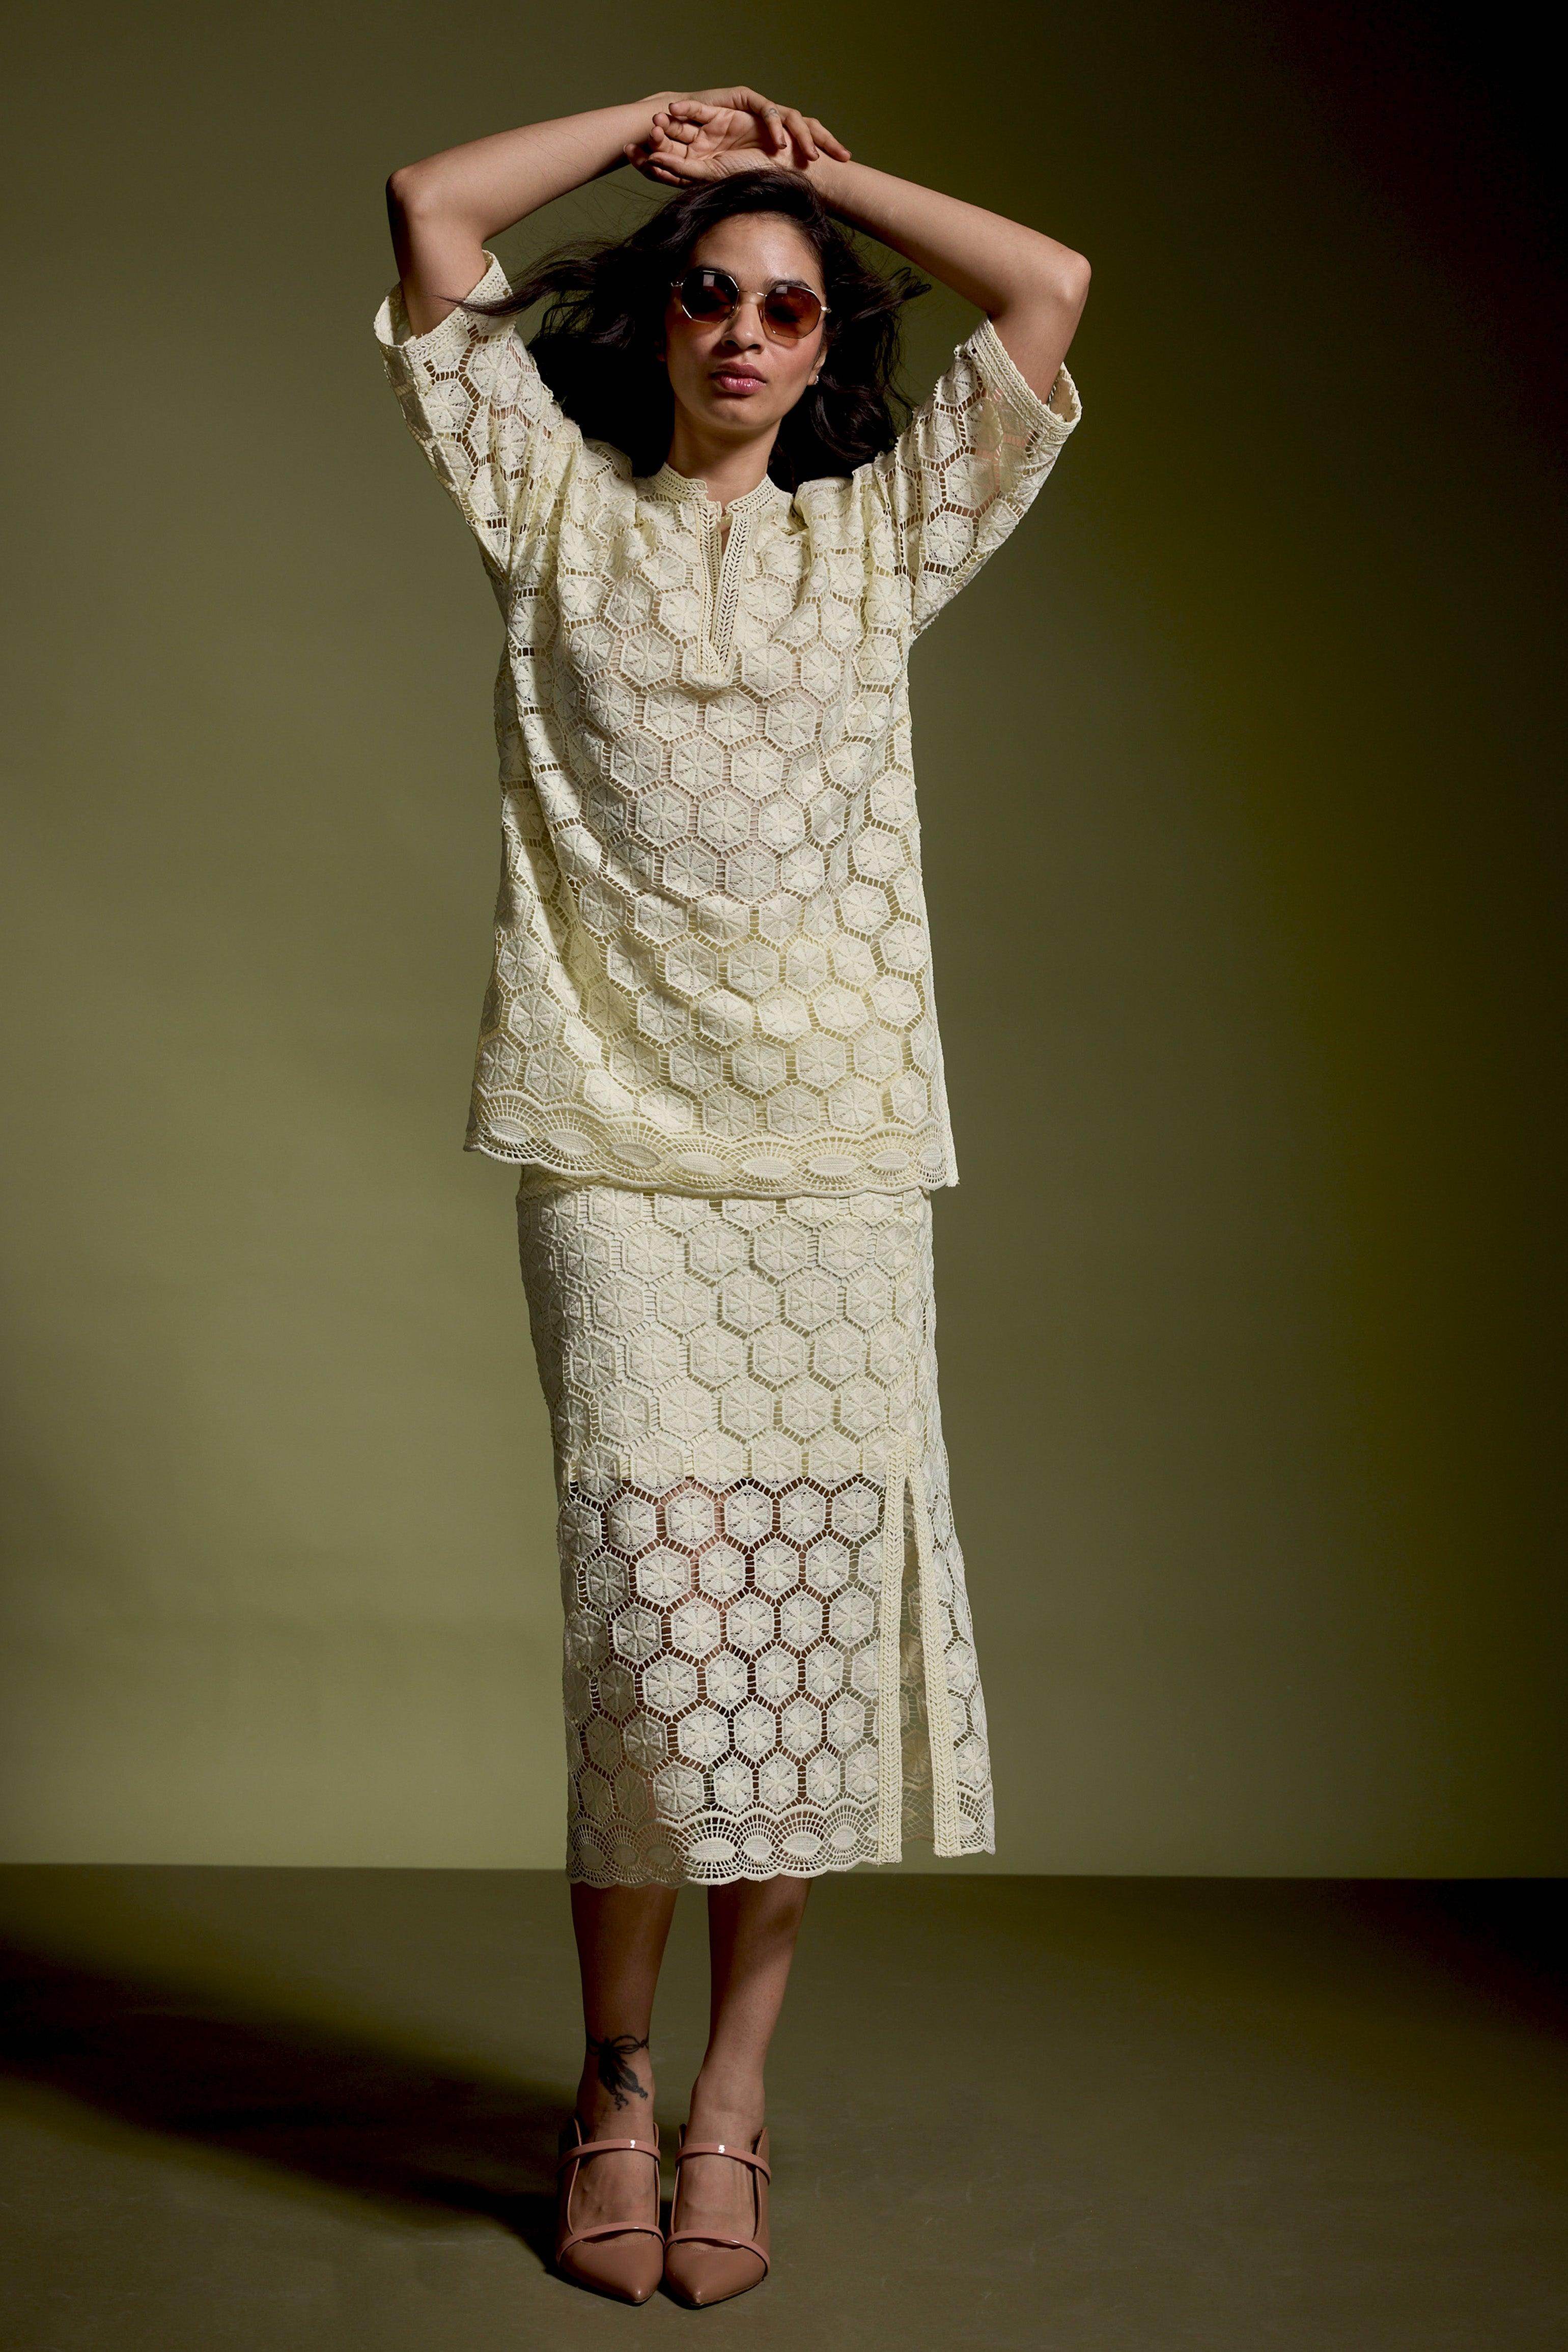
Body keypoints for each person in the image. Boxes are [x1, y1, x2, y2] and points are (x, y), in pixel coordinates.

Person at [374, 85, 1088, 2307]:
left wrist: (816, 178)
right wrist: (653, 142)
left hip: (840, 1161)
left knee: (797, 1640)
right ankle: (608, 2081)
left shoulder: (880, 540)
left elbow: (1047, 288)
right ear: (661, 318)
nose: (747, 331)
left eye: (788, 306)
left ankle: (732, 2105)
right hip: (614, 1148)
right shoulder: (548, 509)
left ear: (824, 344)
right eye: (711, 293)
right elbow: (430, 209)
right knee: (650, 1629)